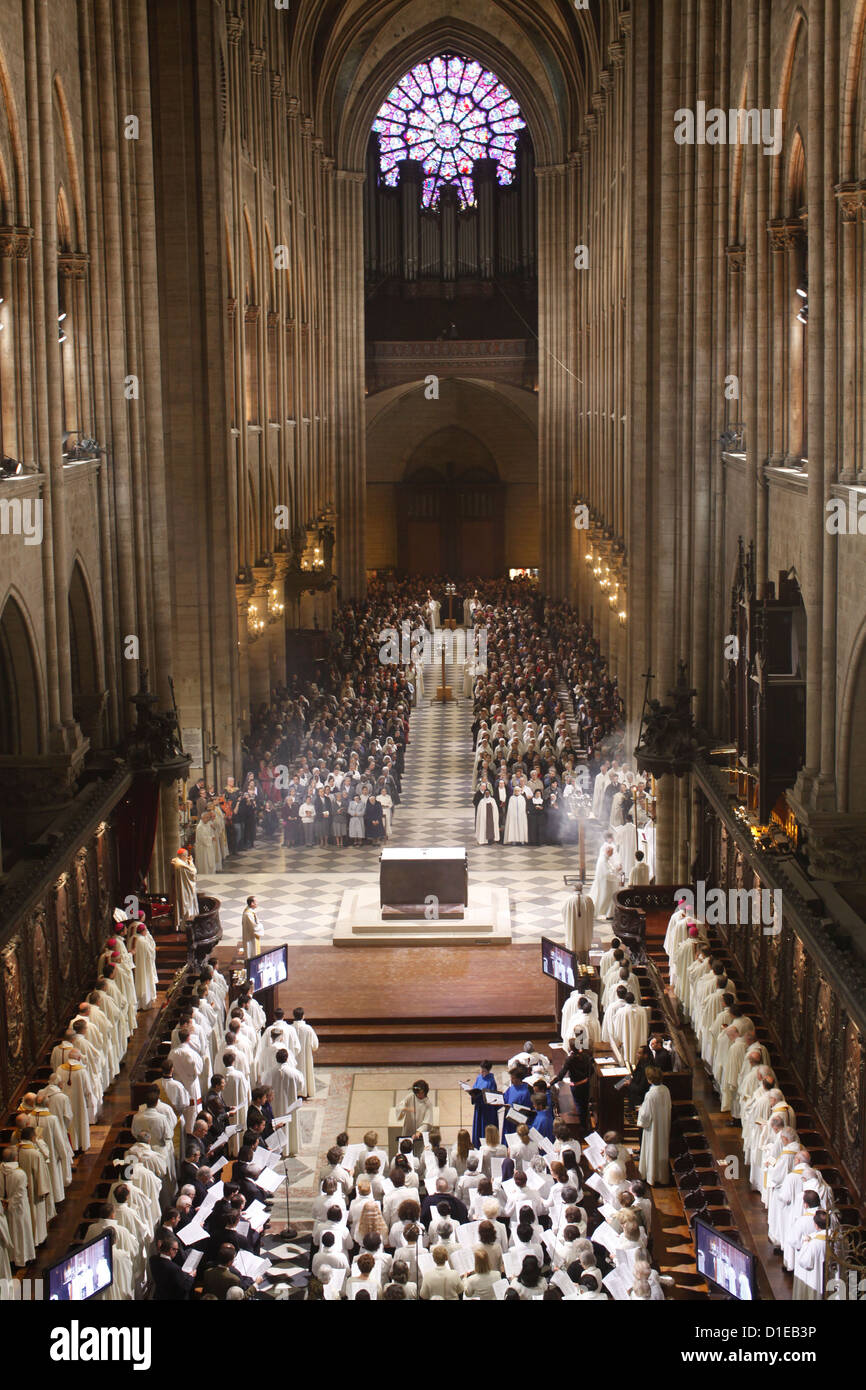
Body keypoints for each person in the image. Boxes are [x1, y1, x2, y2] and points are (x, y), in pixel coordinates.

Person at [637, 1068, 671, 1186]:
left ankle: (651, 1176)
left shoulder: (650, 1094)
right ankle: (661, 1176)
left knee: (652, 1149)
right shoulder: (666, 1090)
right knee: (661, 1150)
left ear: (649, 1080)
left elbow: (646, 1115)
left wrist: (640, 1109)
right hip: (663, 1124)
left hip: (653, 1128)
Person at [468, 1061, 499, 1147]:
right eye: (481, 1070)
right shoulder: (479, 1078)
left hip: (487, 1110)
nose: (482, 1072)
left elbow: (493, 1096)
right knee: (478, 1128)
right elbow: (475, 1087)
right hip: (479, 1107)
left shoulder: (491, 1081)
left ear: (488, 1071)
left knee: (485, 1128)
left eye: (484, 1071)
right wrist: (471, 1092)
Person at [562, 884, 594, 963]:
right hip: (584, 930)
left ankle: (573, 963)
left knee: (573, 943)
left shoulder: (568, 900)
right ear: (582, 889)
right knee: (584, 944)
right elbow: (592, 912)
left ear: (573, 889)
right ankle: (584, 963)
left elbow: (563, 912)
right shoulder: (588, 899)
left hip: (573, 928)